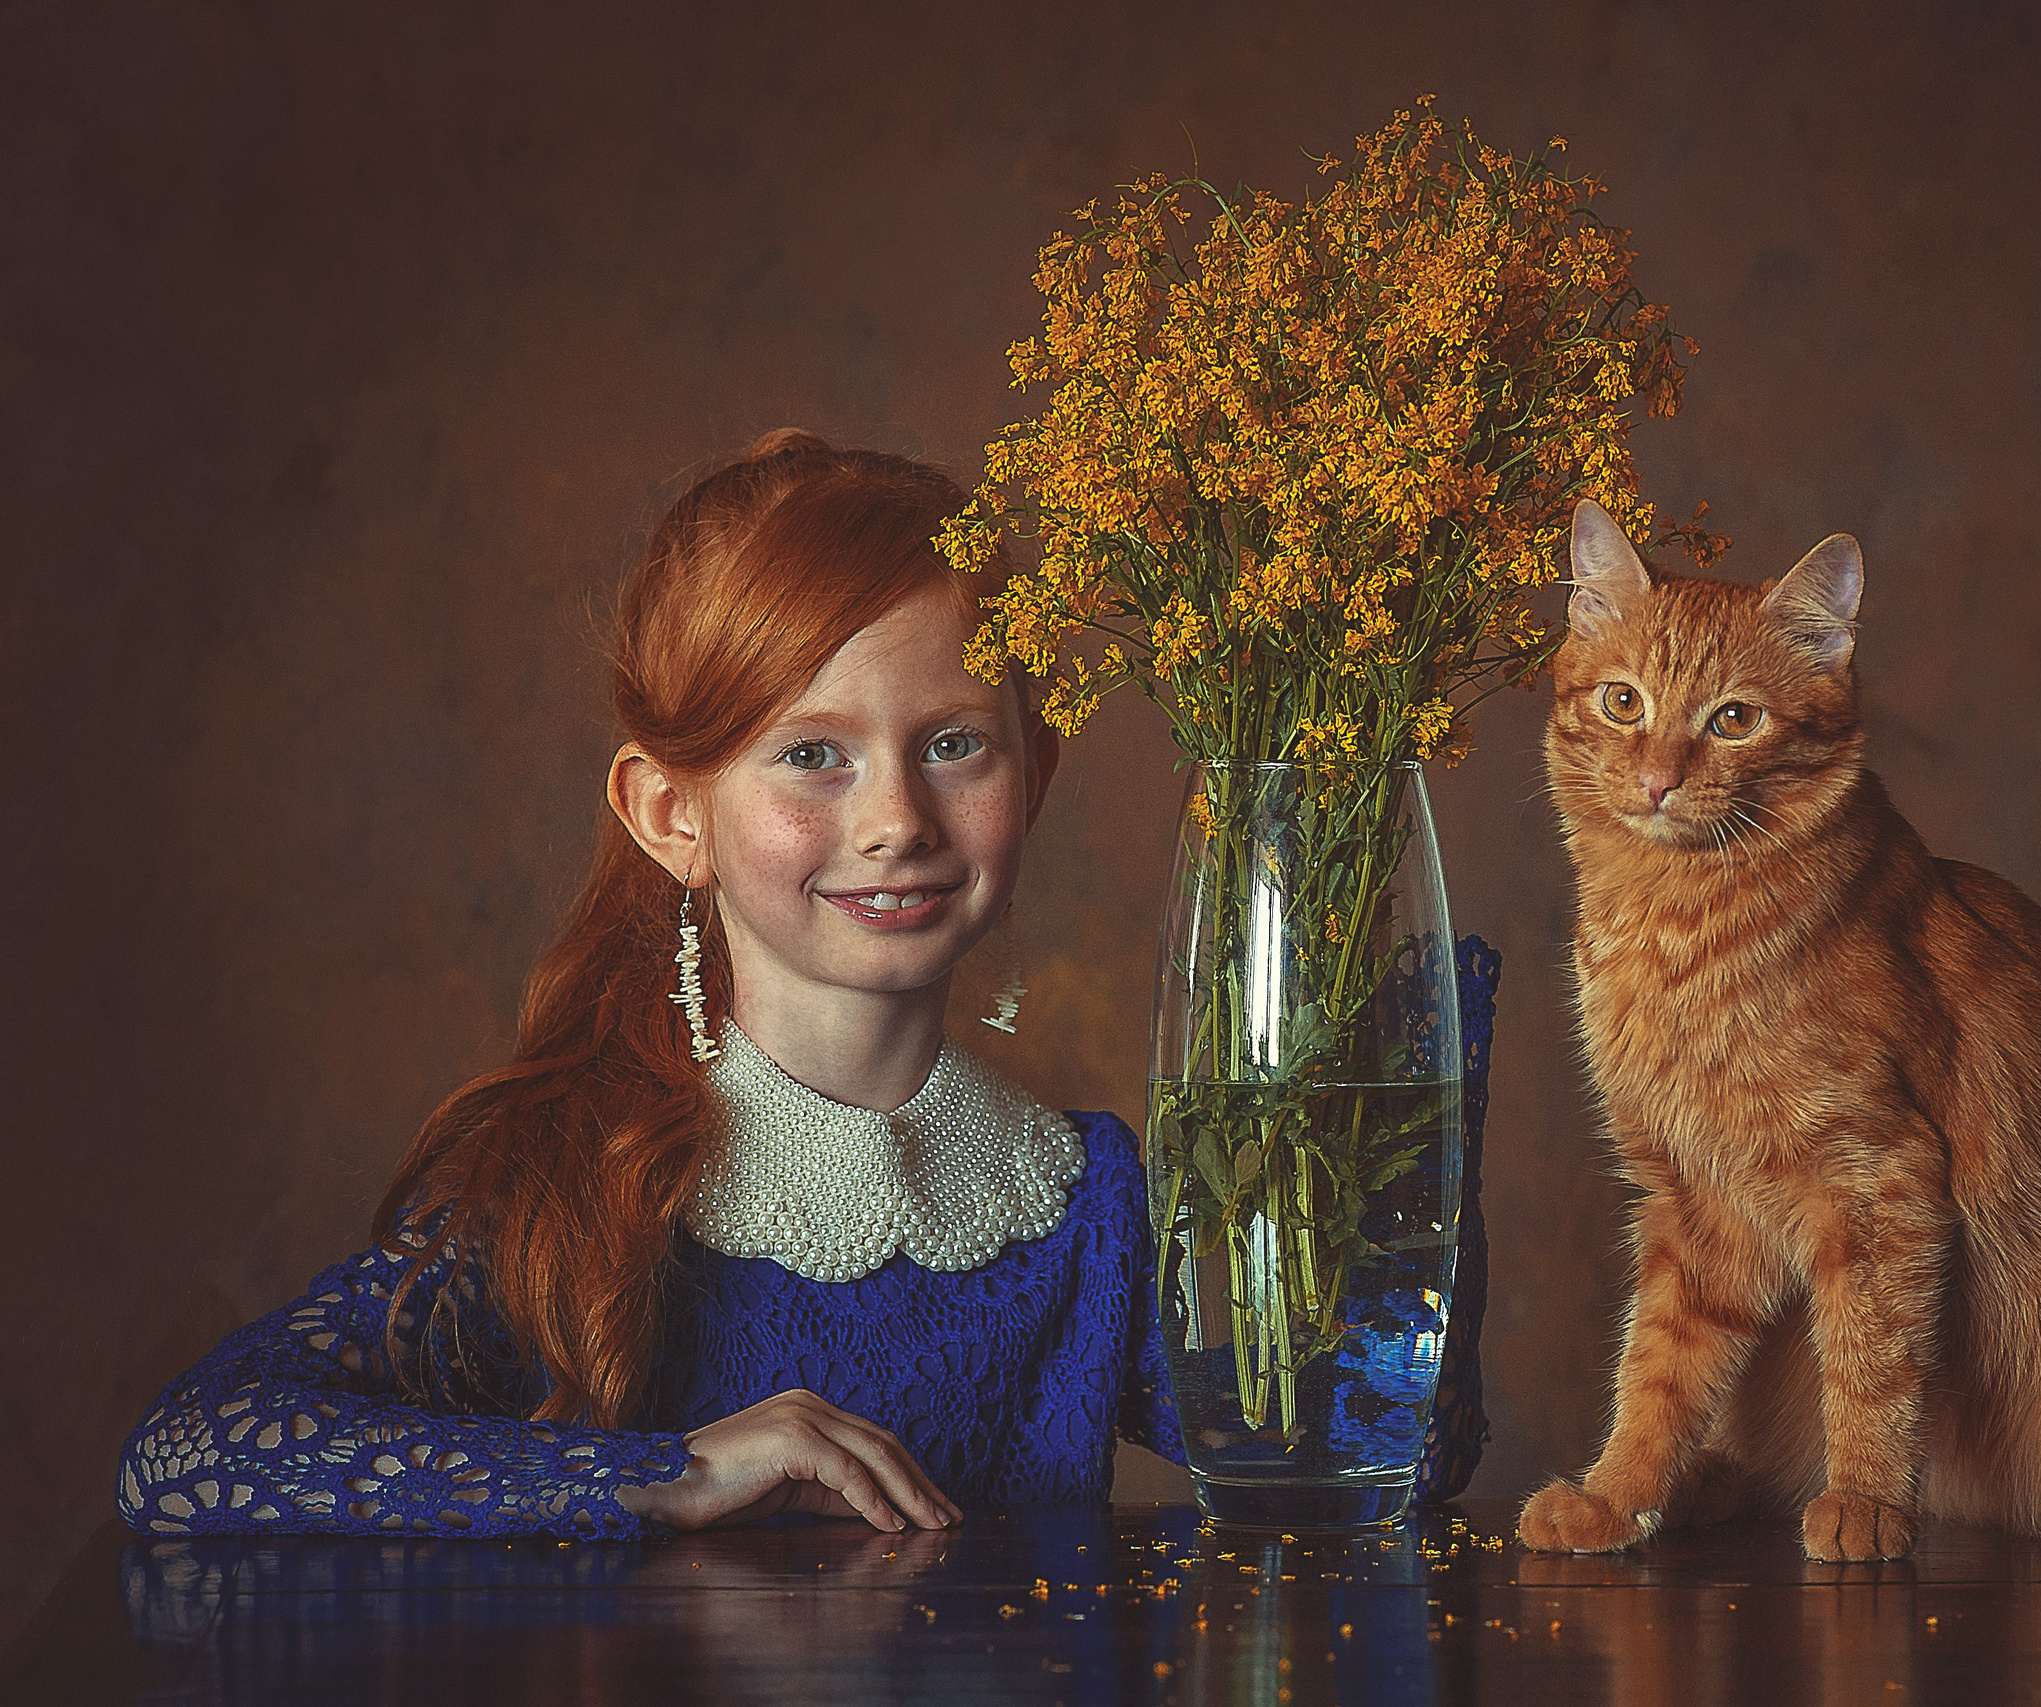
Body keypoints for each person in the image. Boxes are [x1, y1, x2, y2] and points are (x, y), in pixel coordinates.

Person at [115, 432, 1489, 1540]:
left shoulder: (1094, 1210)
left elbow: (1376, 1470)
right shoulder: (566, 1187)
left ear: (1037, 775)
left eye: (955, 743)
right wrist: (652, 1477)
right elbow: (185, 1456)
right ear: (672, 817)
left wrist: (1410, 1070)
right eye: (812, 756)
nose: (897, 817)